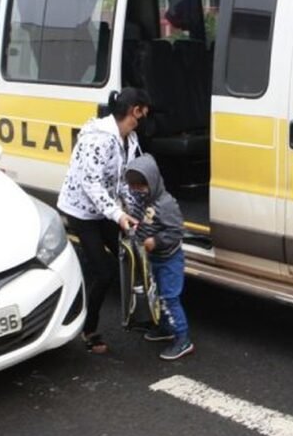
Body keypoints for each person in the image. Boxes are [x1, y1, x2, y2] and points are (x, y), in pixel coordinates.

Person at [58, 87, 151, 354]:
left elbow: (123, 181)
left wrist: (137, 211)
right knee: (103, 271)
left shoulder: (128, 138)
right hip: (81, 211)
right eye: (143, 115)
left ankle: (139, 315)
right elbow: (92, 184)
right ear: (134, 111)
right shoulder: (97, 139)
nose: (143, 122)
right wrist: (119, 215)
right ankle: (89, 329)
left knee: (131, 253)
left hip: (105, 209)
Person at [124, 155, 194, 361]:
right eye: (133, 186)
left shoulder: (166, 204)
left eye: (141, 186)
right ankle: (165, 327)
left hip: (169, 259)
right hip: (152, 259)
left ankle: (183, 338)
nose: (137, 190)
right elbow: (141, 220)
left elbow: (176, 231)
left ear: (152, 182)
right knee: (156, 295)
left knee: (169, 297)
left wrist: (155, 241)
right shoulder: (143, 200)